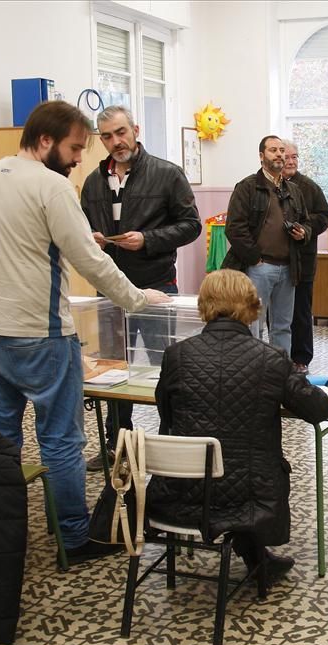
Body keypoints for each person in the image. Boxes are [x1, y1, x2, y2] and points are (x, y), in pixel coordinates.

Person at [0, 100, 170, 563]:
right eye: (76, 148)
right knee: (61, 441)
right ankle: (74, 540)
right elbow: (90, 261)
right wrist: (138, 298)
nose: (81, 157)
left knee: (0, 438)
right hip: (39, 332)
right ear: (45, 141)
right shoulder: (51, 186)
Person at [148, 270, 328, 580]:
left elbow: (166, 414)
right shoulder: (271, 358)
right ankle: (255, 554)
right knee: (247, 462)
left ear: (203, 305)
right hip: (252, 495)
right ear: (252, 305)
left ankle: (253, 555)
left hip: (184, 487)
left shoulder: (175, 356)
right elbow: (317, 410)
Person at [81, 105, 202, 469]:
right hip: (109, 289)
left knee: (166, 368)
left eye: (120, 132)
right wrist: (93, 239)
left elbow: (191, 225)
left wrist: (148, 239)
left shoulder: (167, 174)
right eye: (106, 136)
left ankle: (173, 441)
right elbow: (81, 228)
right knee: (114, 370)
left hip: (155, 284)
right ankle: (116, 446)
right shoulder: (92, 181)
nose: (115, 142)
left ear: (135, 129)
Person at [222, 135, 312, 354]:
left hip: (288, 268)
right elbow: (234, 228)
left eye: (282, 150)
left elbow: (307, 223)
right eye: (273, 150)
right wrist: (255, 259)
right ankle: (253, 372)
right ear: (262, 156)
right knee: (253, 325)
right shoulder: (247, 187)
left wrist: (303, 233)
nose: (280, 155)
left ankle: (279, 372)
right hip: (258, 268)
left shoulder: (293, 190)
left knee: (283, 327)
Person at [281, 139, 328, 374]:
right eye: (286, 157)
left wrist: (304, 227)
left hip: (303, 261)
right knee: (276, 313)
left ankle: (301, 358)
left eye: (294, 157)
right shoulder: (263, 185)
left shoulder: (309, 187)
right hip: (274, 261)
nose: (290, 161)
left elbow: (324, 216)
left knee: (300, 311)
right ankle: (277, 355)